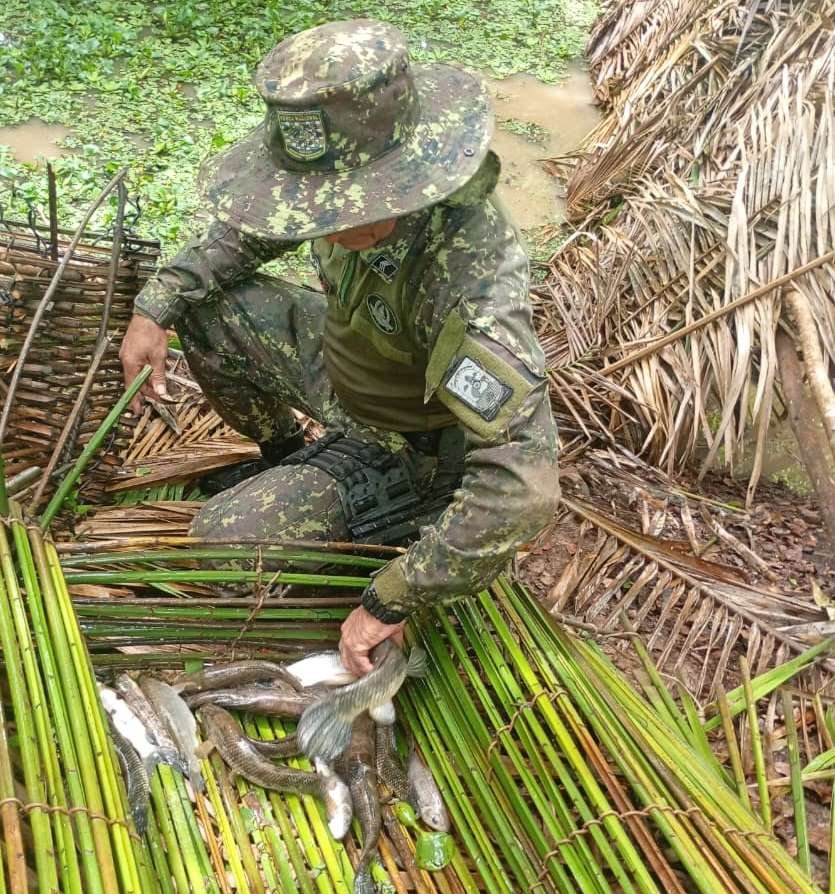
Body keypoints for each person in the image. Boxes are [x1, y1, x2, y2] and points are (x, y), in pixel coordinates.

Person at [119, 19, 560, 675]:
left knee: (223, 545)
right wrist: (157, 303)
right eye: (311, 204)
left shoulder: (468, 288)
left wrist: (392, 598)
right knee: (204, 304)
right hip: (347, 360)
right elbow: (249, 233)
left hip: (415, 439)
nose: (322, 222)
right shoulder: (343, 190)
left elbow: (523, 486)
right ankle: (287, 455)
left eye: (339, 209)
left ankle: (393, 505)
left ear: (407, 183)